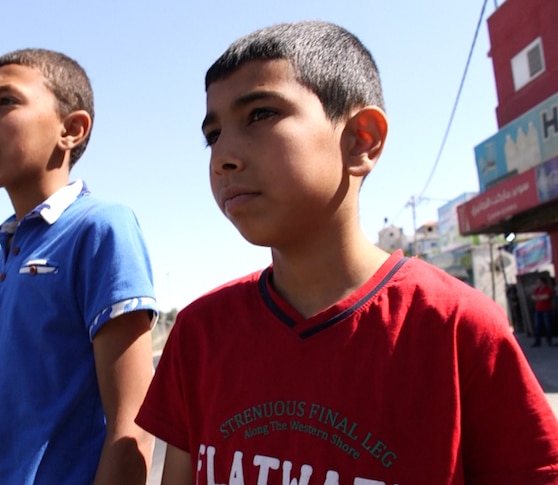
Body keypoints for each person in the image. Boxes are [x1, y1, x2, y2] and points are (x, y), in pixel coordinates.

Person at [136, 21, 558, 484]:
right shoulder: (199, 334)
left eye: (260, 114)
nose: (222, 157)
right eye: (212, 135)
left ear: (362, 139)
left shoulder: (459, 328)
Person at [0, 48, 158, 484]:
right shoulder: (1, 255)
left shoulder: (100, 229)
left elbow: (134, 428)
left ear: (71, 129)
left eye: (5, 101)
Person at [532, 275, 555, 347]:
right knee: (537, 326)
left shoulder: (548, 289)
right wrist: (540, 297)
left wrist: (538, 297)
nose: (538, 283)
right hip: (538, 310)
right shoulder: (537, 289)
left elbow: (547, 297)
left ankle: (549, 340)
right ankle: (537, 341)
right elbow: (533, 297)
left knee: (548, 325)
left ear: (542, 282)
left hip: (546, 310)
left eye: (539, 282)